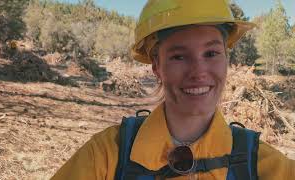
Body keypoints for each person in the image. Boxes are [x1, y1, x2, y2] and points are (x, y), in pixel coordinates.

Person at [51, 0, 295, 179]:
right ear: (157, 66)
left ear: (226, 59)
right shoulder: (106, 156)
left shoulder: (262, 165)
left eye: (211, 53)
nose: (198, 71)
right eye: (179, 56)